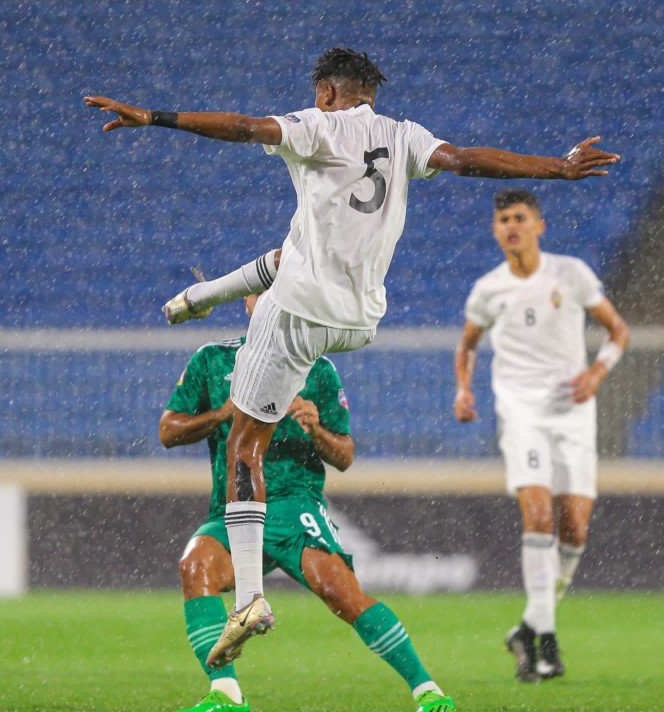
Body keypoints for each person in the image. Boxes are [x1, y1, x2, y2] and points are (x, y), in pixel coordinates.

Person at [85, 46, 620, 670]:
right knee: (293, 250)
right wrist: (557, 167)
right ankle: (200, 298)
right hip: (359, 319)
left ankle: (251, 599)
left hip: (301, 312)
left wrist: (156, 117)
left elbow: (245, 127)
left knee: (244, 444)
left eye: (319, 94)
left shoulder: (317, 126)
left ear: (328, 92)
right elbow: (467, 160)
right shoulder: (404, 135)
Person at [159, 292, 455, 712]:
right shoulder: (213, 360)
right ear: (246, 301)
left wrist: (317, 430)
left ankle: (427, 690)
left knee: (341, 592)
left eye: (276, 292)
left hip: (294, 504)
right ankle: (225, 695)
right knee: (195, 565)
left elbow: (345, 456)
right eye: (259, 292)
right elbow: (169, 431)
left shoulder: (317, 369)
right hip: (235, 507)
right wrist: (223, 414)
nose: (266, 300)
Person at [453, 189, 629, 683]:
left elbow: (618, 331)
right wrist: (463, 390)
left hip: (573, 411)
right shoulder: (489, 288)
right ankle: (547, 643)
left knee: (574, 528)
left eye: (520, 218)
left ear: (539, 226)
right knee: (538, 515)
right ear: (495, 230)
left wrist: (597, 373)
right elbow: (466, 345)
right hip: (521, 410)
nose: (512, 226)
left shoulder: (570, 274)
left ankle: (526, 629)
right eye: (504, 219)